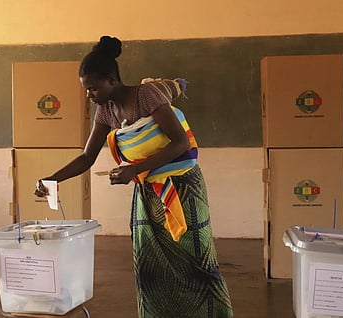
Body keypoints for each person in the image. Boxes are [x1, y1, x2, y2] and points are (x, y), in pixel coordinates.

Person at [34, 35, 234, 318]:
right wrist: (51, 179)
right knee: (151, 265)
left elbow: (181, 143)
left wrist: (134, 169)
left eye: (92, 88)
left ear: (112, 80)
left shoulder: (145, 96)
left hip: (182, 189)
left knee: (193, 259)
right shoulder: (105, 112)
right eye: (86, 90)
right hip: (148, 193)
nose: (89, 96)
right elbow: (87, 157)